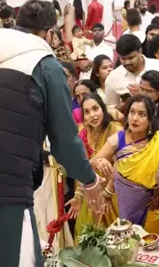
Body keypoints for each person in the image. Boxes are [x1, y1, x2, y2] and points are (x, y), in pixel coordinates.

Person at [0, 0, 104, 266]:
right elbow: (64, 140)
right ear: (50, 33)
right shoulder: (45, 65)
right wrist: (90, 181)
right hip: (7, 185)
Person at [90, 95, 159, 234]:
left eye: (141, 114)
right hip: (121, 205)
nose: (134, 118)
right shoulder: (118, 139)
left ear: (150, 120)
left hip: (151, 206)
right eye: (132, 112)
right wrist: (100, 161)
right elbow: (91, 163)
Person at [67, 93, 122, 239]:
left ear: (103, 109)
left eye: (95, 109)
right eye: (87, 112)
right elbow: (82, 168)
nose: (92, 115)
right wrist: (78, 195)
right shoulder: (83, 134)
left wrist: (106, 163)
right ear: (83, 116)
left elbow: (121, 163)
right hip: (91, 190)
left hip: (113, 190)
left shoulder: (115, 129)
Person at [104, 34, 159, 107]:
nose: (127, 62)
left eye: (131, 58)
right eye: (123, 59)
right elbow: (110, 108)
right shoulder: (113, 78)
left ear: (140, 51)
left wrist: (146, 94)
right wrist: (126, 105)